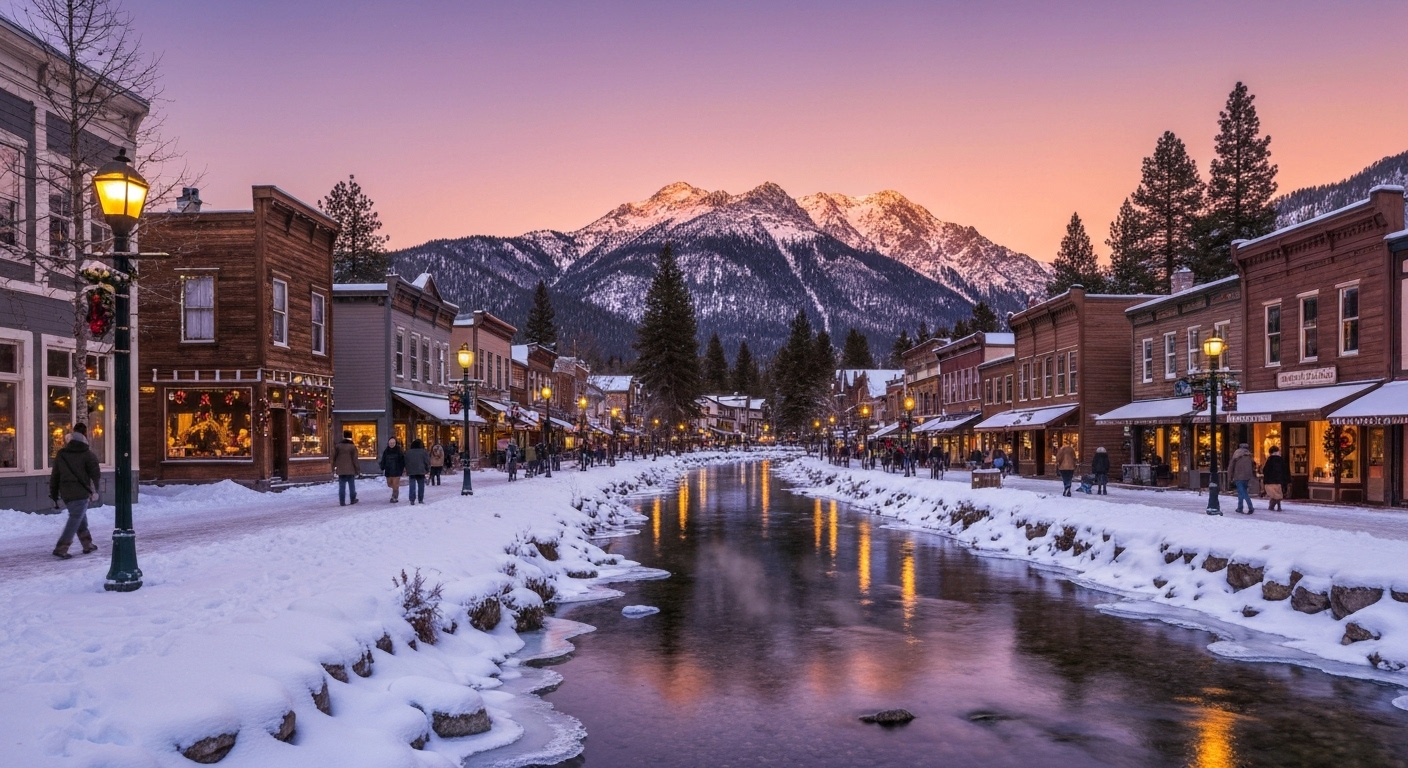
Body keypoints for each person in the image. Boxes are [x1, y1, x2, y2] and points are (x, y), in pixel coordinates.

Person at [49, 423, 100, 559]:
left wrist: (54, 494)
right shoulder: (88, 454)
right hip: (81, 492)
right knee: (75, 518)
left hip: (66, 492)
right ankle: (61, 547)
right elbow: (95, 475)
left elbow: (55, 476)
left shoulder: (61, 454)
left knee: (79, 517)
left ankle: (87, 544)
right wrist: (95, 491)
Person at [332, 430, 360, 506]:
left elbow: (333, 457)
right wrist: (357, 470)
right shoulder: (352, 447)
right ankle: (352, 499)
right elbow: (355, 459)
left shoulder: (338, 446)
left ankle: (342, 501)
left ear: (343, 436)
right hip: (350, 469)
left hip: (341, 470)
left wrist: (333, 467)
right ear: (351, 436)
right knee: (351, 486)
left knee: (342, 487)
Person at [1229, 442, 1257, 514]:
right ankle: (1240, 507)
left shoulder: (1236, 454)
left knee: (1243, 492)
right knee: (1241, 492)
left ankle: (1250, 507)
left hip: (1238, 476)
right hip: (1248, 476)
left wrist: (1230, 476)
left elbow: (1231, 466)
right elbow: (1254, 466)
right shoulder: (1249, 455)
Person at [1262, 445, 1290, 511]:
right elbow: (1285, 470)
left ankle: (1272, 506)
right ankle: (1278, 507)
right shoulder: (1281, 460)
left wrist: (1265, 480)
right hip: (1279, 481)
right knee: (1278, 494)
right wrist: (1287, 480)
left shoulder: (1269, 460)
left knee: (1274, 495)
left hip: (1270, 481)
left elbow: (1265, 470)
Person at [379, 437, 406, 503]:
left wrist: (402, 468)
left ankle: (394, 497)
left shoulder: (399, 451)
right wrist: (382, 466)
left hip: (397, 471)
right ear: (388, 443)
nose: (392, 444)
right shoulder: (386, 451)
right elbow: (383, 460)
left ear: (395, 443)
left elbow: (402, 460)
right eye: (390, 443)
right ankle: (394, 492)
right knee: (389, 484)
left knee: (395, 485)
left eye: (393, 443)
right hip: (388, 471)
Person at [404, 439, 431, 505]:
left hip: (411, 470)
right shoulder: (424, 452)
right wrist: (427, 469)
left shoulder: (408, 452)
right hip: (421, 470)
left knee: (412, 485)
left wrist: (407, 469)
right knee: (421, 485)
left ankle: (412, 499)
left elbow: (405, 461)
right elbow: (427, 461)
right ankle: (420, 499)